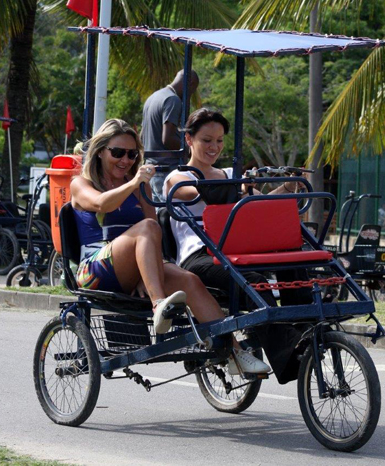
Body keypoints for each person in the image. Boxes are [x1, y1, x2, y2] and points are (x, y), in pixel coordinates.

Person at [70, 118, 268, 375]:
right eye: (117, 153)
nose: (125, 160)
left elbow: (152, 227)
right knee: (148, 228)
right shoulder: (81, 184)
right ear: (100, 152)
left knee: (190, 280)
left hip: (130, 264)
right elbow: (101, 205)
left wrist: (147, 270)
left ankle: (235, 353)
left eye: (132, 154)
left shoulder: (141, 186)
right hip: (95, 269)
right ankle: (159, 305)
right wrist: (134, 183)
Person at [165, 108, 311, 384]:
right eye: (207, 140)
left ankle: (306, 329)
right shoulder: (178, 176)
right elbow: (193, 192)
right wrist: (237, 185)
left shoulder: (232, 173)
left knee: (293, 258)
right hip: (201, 256)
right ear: (189, 140)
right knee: (255, 283)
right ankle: (288, 354)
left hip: (238, 250)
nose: (214, 147)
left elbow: (260, 203)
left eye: (219, 141)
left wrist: (288, 185)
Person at [141, 69, 200, 203]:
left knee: (159, 217)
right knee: (172, 217)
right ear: (190, 84)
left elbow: (142, 135)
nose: (190, 95)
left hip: (151, 170)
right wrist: (192, 150)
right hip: (166, 171)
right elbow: (167, 139)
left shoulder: (154, 97)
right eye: (193, 90)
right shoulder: (173, 100)